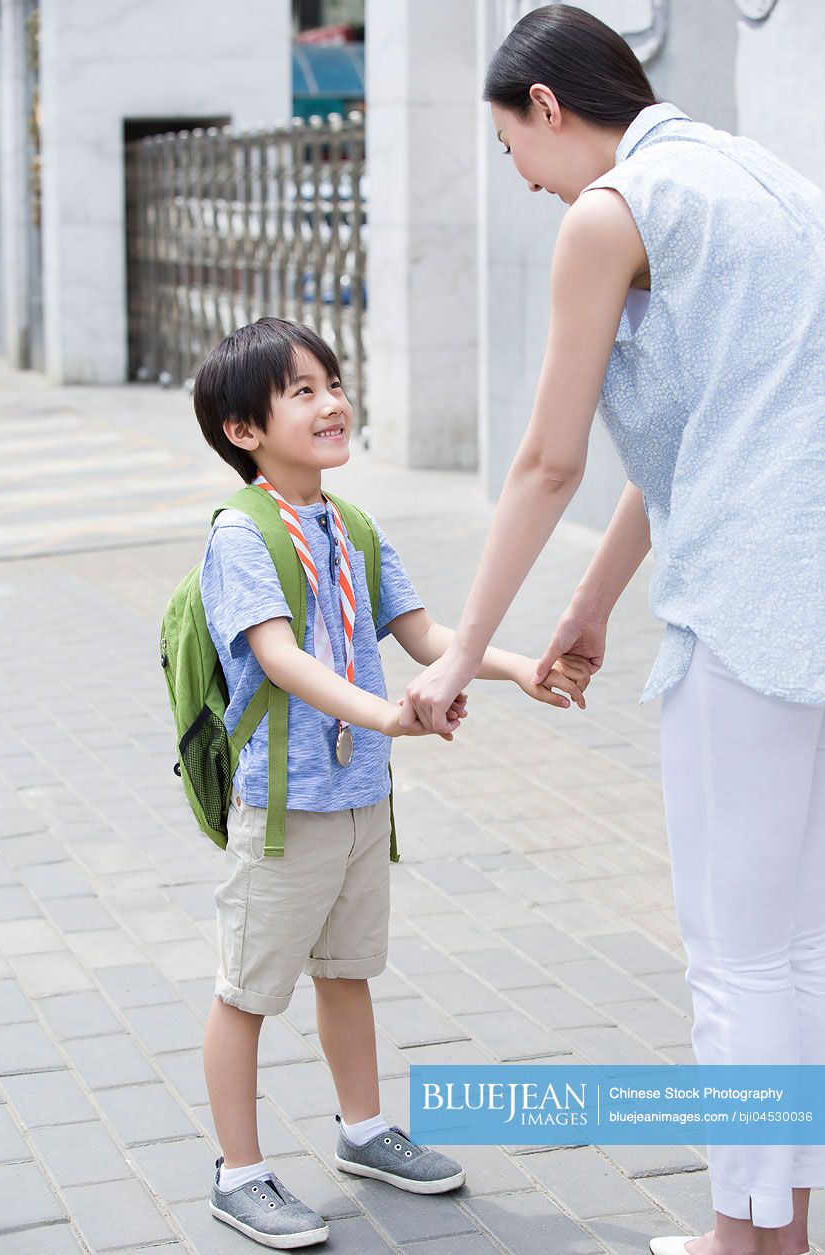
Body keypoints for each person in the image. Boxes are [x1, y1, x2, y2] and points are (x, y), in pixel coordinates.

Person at [399, 7, 825, 1255]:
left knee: (735, 959)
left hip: (749, 614)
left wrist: (466, 652)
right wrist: (587, 608)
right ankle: (775, 1223)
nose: (523, 181)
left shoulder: (613, 210)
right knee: (790, 949)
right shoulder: (758, 178)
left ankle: (755, 1242)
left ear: (544, 105)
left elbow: (544, 461)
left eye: (509, 149)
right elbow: (700, 423)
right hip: (802, 597)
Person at [192, 316, 591, 1248]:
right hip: (286, 812)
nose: (332, 401)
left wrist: (521, 666)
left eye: (332, 381)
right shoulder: (240, 536)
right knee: (246, 990)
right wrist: (386, 715)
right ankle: (238, 1172)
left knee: (347, 971)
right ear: (243, 430)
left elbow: (423, 637)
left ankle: (363, 1130)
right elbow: (280, 658)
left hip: (361, 800)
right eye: (301, 391)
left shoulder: (353, 526)